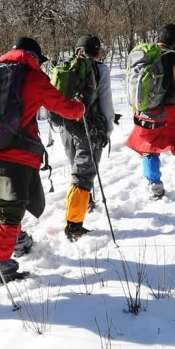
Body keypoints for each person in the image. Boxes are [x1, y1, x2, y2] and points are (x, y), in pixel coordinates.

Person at [0, 37, 85, 283]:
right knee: (10, 212)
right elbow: (65, 108)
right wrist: (80, 107)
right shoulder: (34, 78)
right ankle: (2, 269)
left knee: (6, 205)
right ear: (34, 57)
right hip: (14, 155)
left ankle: (16, 240)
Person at [125, 24, 175, 198]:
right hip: (168, 112)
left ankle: (155, 188)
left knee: (149, 148)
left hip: (143, 111)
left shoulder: (144, 54)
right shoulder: (172, 56)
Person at [58, 35, 116, 241]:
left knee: (76, 166)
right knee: (83, 174)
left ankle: (86, 202)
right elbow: (106, 102)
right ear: (97, 53)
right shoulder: (100, 69)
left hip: (66, 127)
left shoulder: (65, 68)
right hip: (89, 128)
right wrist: (108, 128)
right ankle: (74, 225)